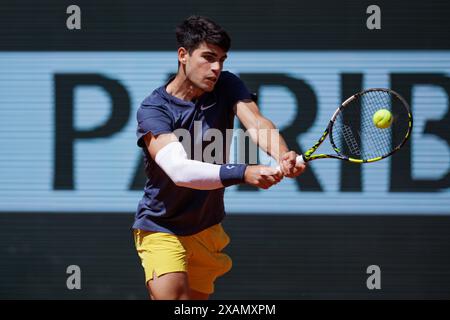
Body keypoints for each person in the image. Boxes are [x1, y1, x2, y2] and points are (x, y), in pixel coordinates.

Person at [133, 15, 306, 300]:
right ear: (183, 56)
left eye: (222, 60)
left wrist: (283, 154)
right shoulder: (154, 110)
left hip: (206, 228)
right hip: (161, 226)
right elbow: (178, 170)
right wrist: (244, 172)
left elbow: (258, 124)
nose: (216, 68)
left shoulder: (226, 85)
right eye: (208, 57)